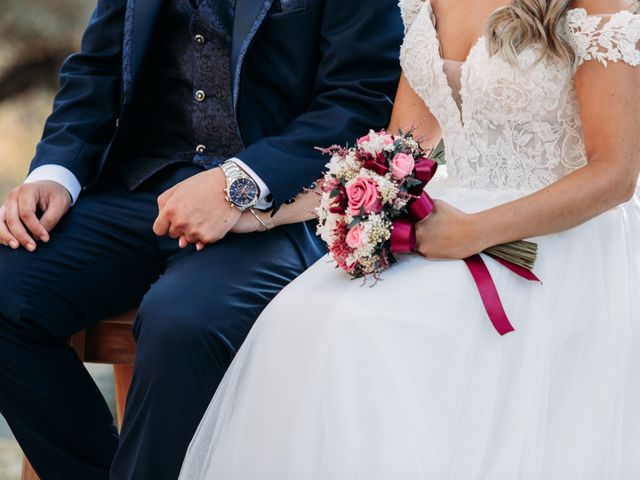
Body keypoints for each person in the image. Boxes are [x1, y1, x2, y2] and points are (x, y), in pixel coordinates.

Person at [179, 0, 640, 478]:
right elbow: (397, 153)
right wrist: (262, 214)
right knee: (298, 317)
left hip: (555, 236)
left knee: (366, 334)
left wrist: (476, 231)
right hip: (445, 220)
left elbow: (615, 174)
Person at [0, 0, 404, 478]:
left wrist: (239, 183)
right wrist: (56, 171)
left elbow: (358, 98)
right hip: (141, 186)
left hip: (276, 207)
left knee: (183, 324)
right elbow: (98, 66)